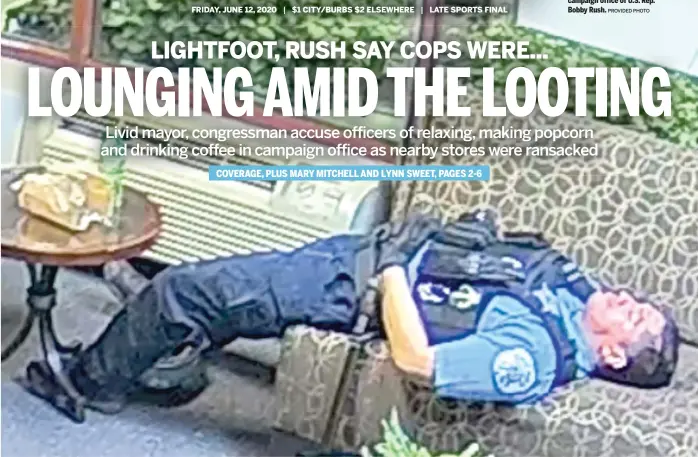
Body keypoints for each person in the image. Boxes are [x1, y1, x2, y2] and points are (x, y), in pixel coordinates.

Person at [23, 210, 679, 422]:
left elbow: (419, 360)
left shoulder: (529, 356)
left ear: (613, 354)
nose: (627, 298)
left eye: (635, 317)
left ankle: (88, 384)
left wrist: (394, 266)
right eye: (639, 299)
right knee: (222, 290)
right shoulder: (576, 298)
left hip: (357, 287)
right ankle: (166, 363)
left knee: (185, 290)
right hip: (367, 257)